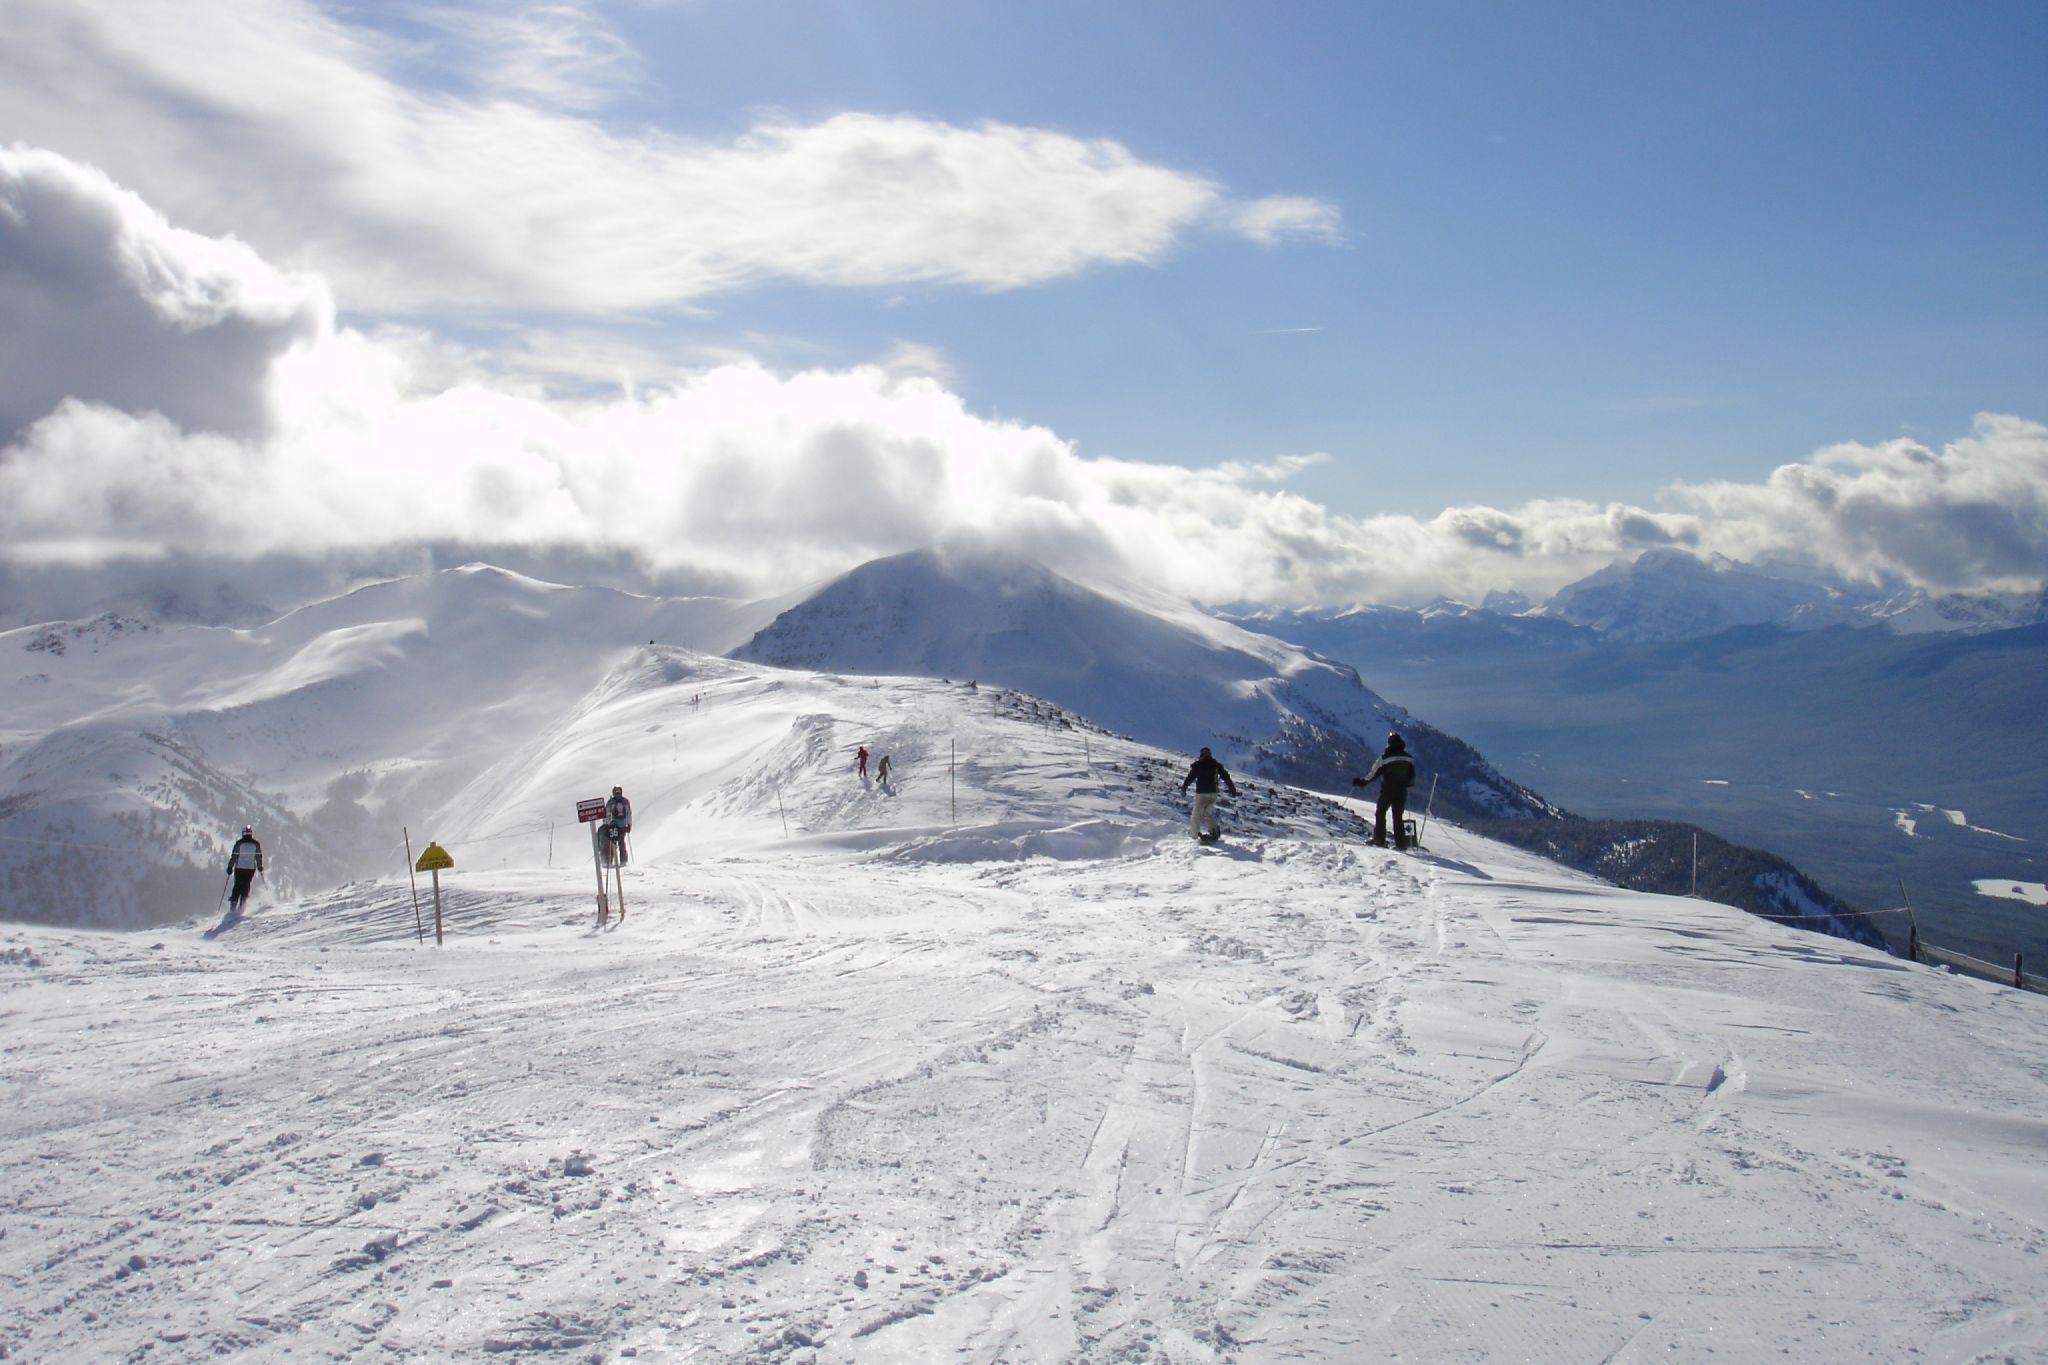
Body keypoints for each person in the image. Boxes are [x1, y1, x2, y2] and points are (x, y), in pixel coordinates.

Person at [1354, 733, 1419, 850]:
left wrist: (1362, 782)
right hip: (1402, 790)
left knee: (1381, 812)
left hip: (1388, 789)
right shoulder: (1409, 758)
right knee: (1398, 816)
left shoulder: (1385, 758)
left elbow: (1373, 774)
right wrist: (1407, 784)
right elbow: (1412, 777)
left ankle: (1379, 840)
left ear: (1390, 743)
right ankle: (1401, 844)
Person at [1180, 747, 1237, 841]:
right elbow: (1225, 776)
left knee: (1196, 814)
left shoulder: (1198, 765)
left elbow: (1190, 777)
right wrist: (1232, 788)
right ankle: (1214, 830)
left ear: (1201, 755)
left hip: (1201, 793)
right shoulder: (1216, 765)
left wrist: (1184, 788)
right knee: (1208, 813)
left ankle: (1193, 835)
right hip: (1213, 793)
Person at [226, 826, 264, 911]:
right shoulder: (256, 844)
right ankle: (242, 903)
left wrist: (230, 867)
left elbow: (234, 856)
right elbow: (258, 857)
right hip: (250, 868)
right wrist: (260, 866)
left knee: (237, 885)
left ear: (243, 833)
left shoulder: (239, 843)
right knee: (246, 884)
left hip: (239, 867)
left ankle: (233, 904)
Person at [604, 784, 633, 866]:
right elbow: (629, 814)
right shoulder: (625, 801)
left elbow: (607, 814)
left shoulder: (611, 802)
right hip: (623, 825)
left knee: (612, 844)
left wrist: (606, 824)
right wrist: (629, 824)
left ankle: (610, 862)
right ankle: (623, 861)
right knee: (621, 843)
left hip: (613, 825)